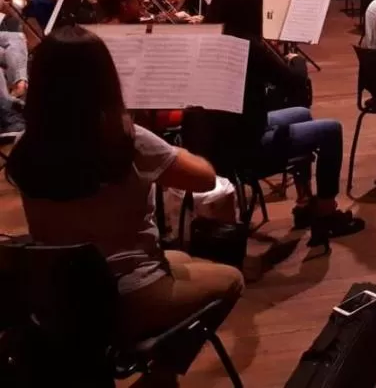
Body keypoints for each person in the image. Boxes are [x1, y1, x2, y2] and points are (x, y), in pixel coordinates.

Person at [5, 26, 244, 360]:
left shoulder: (23, 147)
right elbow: (205, 179)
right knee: (232, 279)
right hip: (127, 295)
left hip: (59, 296)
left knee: (183, 261)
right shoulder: (126, 142)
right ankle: (159, 371)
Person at [205, 0, 364, 242]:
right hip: (246, 144)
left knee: (302, 114)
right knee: (331, 130)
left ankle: (304, 203)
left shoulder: (212, 34)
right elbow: (295, 84)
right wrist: (288, 57)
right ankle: (326, 212)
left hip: (221, 134)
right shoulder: (250, 44)